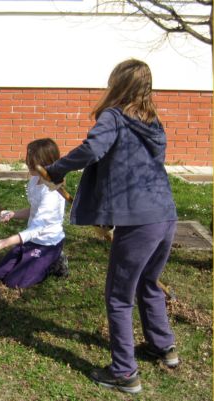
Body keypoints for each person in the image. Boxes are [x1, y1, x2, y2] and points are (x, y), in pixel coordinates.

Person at [44, 59, 178, 394]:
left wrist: (57, 169)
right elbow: (128, 168)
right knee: (148, 281)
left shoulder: (114, 117)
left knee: (119, 296)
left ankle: (124, 373)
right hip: (165, 215)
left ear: (117, 84)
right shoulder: (151, 121)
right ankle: (164, 347)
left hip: (140, 221)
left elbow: (93, 149)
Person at [0, 138, 68, 289]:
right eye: (28, 158)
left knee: (14, 282)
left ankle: (55, 262)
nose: (28, 163)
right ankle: (31, 259)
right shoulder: (35, 180)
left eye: (32, 161)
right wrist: (13, 214)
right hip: (31, 240)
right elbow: (34, 210)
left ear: (46, 163)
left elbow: (37, 229)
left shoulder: (51, 193)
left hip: (47, 244)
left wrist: (4, 242)